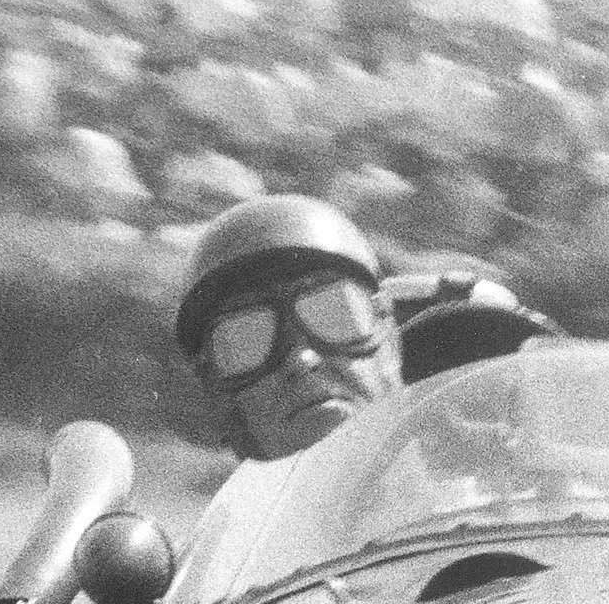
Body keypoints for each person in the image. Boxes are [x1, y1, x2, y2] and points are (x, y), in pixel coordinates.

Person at [175, 193, 556, 463]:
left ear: (390, 339)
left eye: (335, 313)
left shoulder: (496, 497)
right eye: (247, 339)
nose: (302, 358)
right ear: (218, 390)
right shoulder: (222, 566)